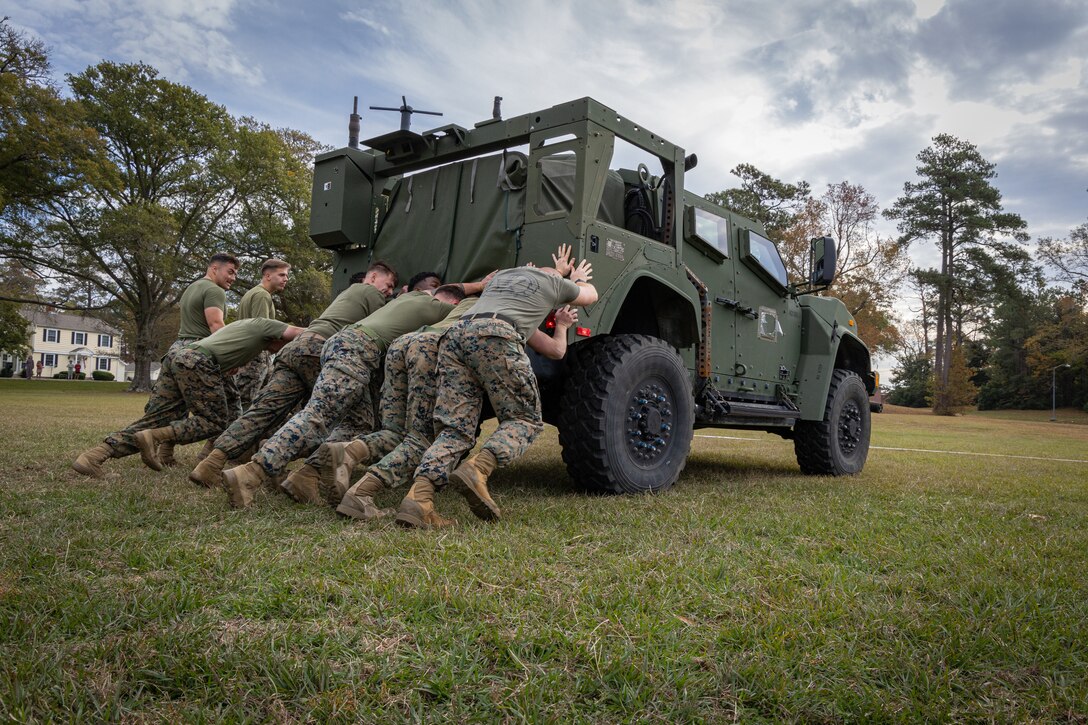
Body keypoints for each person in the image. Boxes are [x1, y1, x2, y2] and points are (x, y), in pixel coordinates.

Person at [395, 244, 598, 529]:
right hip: (497, 335)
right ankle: (478, 469)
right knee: (524, 419)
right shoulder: (551, 283)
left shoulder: (503, 282)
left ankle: (419, 499)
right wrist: (576, 278)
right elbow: (590, 296)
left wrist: (558, 295)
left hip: (456, 337)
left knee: (455, 429)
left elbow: (550, 348)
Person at [328, 300, 578, 521]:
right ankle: (368, 494)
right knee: (423, 438)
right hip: (433, 347)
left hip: (412, 343)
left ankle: (356, 461)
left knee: (410, 433)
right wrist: (562, 324)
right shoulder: (507, 306)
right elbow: (555, 349)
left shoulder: (475, 300)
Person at [222, 284, 466, 509]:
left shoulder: (409, 297)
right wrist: (482, 285)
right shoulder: (442, 307)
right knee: (318, 415)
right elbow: (462, 298)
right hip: (357, 349)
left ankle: (307, 475)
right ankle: (251, 473)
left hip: (343, 343)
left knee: (358, 423)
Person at [187, 261, 397, 489]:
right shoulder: (371, 293)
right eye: (389, 284)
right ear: (374, 277)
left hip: (296, 348)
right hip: (322, 351)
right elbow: (381, 328)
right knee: (356, 421)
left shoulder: (348, 294)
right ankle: (307, 473)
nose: (389, 291)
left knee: (264, 410)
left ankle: (212, 462)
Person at [72, 318, 304, 477]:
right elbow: (302, 334)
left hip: (181, 357)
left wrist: (232, 363)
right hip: (199, 361)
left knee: (163, 417)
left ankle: (94, 456)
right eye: (282, 346)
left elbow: (226, 348)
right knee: (214, 421)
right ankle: (155, 437)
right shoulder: (269, 325)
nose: (278, 351)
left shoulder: (245, 330)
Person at [157, 253, 239, 466]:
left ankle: (164, 452)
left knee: (177, 405)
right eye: (230, 272)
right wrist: (230, 357)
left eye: (236, 273)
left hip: (178, 348)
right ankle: (210, 456)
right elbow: (216, 325)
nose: (233, 277)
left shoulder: (192, 287)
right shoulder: (214, 290)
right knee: (229, 404)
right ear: (214, 268)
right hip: (201, 351)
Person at [234, 258, 291, 411]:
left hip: (252, 354)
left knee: (263, 400)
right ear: (267, 275)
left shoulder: (254, 293)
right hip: (254, 356)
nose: (286, 279)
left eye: (286, 275)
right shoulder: (262, 295)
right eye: (281, 275)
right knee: (246, 403)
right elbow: (263, 330)